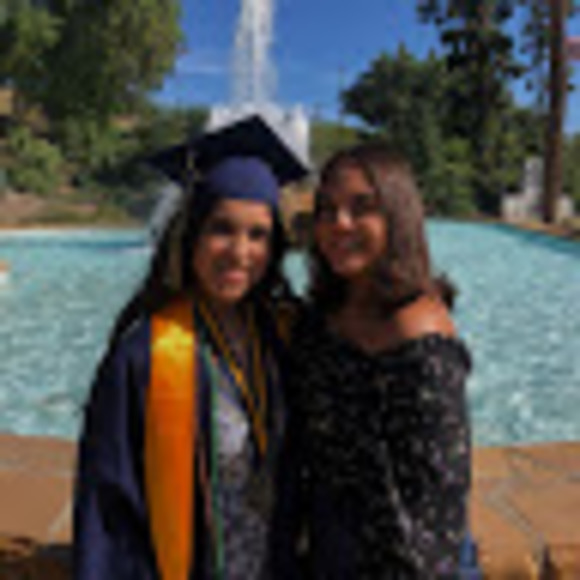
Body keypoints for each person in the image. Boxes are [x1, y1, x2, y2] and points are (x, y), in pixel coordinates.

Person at [73, 115, 308, 580]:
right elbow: (108, 510)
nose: (240, 252)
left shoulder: (284, 336)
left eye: (258, 235)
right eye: (222, 229)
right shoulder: (146, 355)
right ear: (191, 233)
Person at [272, 143, 472, 578]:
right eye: (327, 210)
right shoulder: (324, 317)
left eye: (362, 208)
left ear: (397, 217)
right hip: (329, 546)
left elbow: (437, 508)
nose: (339, 224)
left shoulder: (420, 341)